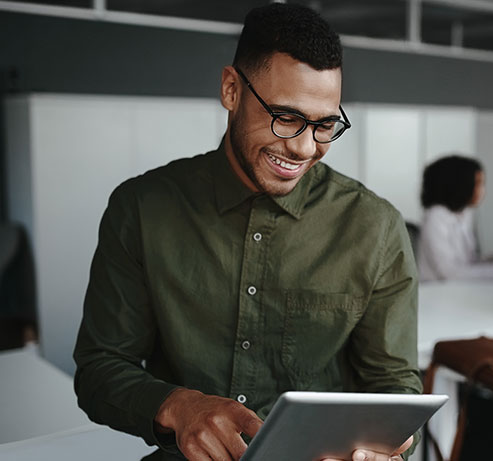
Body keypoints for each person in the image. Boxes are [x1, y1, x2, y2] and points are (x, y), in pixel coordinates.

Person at [73, 4, 420, 461]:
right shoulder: (141, 208)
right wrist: (178, 407)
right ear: (231, 89)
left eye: (325, 125)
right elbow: (100, 369)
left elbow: (393, 386)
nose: (303, 147)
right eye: (285, 116)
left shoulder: (375, 227)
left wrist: (389, 445)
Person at [416, 155, 493, 282]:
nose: (482, 190)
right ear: (459, 184)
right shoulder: (435, 217)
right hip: (437, 293)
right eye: (477, 184)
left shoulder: (462, 214)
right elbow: (449, 273)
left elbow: (469, 263)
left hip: (459, 291)